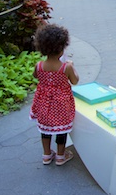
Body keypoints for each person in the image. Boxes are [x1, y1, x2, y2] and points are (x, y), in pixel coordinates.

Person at [29, 24, 80, 166]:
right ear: (62, 48)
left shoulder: (39, 65)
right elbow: (75, 81)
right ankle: (60, 156)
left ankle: (46, 155)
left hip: (44, 105)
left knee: (45, 130)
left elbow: (36, 76)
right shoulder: (66, 67)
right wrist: (72, 66)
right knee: (61, 130)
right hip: (61, 105)